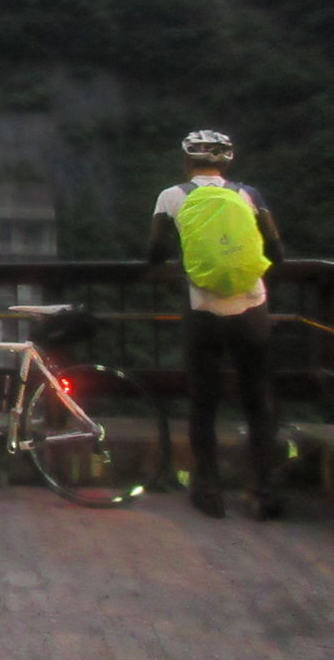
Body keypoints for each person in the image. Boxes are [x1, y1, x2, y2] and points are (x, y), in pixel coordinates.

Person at [147, 130, 285, 520]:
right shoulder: (249, 195)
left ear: (187, 162)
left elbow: (155, 252)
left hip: (202, 307)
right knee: (258, 400)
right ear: (227, 162)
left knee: (203, 401)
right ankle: (261, 491)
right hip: (251, 306)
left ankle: (208, 491)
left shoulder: (171, 196)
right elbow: (276, 250)